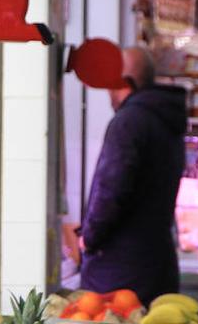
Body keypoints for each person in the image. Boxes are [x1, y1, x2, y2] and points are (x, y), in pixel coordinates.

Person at [78, 47, 186, 306]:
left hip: (119, 273)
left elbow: (111, 188)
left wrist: (89, 238)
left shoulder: (129, 121)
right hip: (157, 265)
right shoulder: (167, 119)